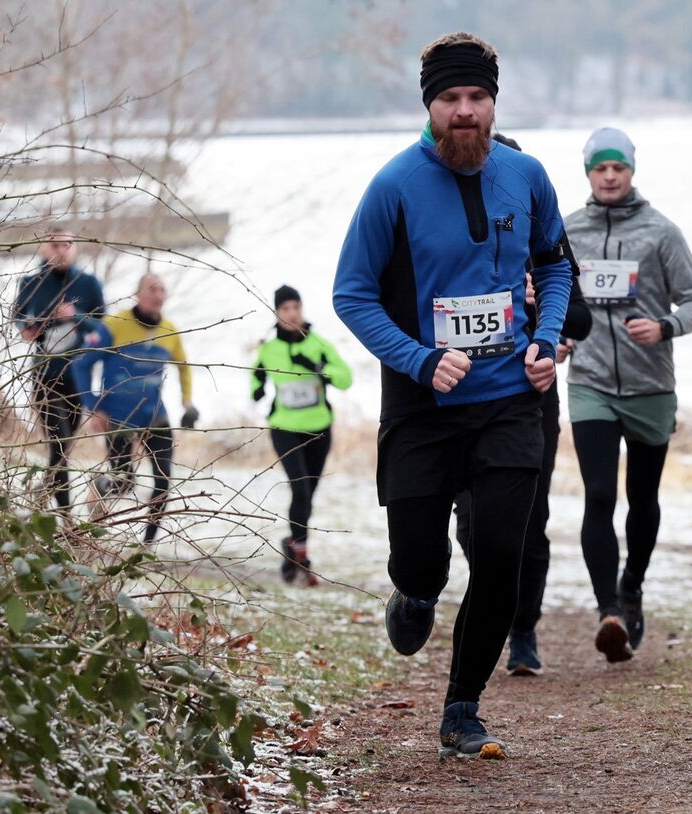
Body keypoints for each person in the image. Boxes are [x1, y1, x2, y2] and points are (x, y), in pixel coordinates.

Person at [332, 32, 573, 757]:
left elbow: (554, 266)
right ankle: (414, 592)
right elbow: (352, 294)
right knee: (420, 562)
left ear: (494, 104)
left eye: (476, 97)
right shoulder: (394, 186)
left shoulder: (527, 175)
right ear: (429, 107)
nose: (463, 111)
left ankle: (463, 709)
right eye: (449, 99)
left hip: (509, 402)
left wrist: (544, 339)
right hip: (423, 407)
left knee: (500, 554)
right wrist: (419, 358)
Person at [564, 127, 692, 663]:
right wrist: (558, 336)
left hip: (650, 387)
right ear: (588, 172)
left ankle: (632, 588)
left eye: (617, 168)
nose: (609, 177)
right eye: (600, 168)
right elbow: (553, 296)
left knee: (642, 498)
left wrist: (664, 326)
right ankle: (609, 613)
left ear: (631, 171)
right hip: (590, 383)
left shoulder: (661, 233)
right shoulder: (568, 231)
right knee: (599, 494)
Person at [453, 134, 591, 677]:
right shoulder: (456, 233)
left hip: (530, 398)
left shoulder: (538, 230)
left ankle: (523, 630)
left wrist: (541, 314)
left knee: (529, 522)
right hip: (461, 397)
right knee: (471, 525)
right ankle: (495, 600)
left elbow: (579, 316)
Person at [70, 273, 197, 544]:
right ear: (138, 294)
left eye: (162, 290)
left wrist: (187, 402)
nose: (158, 295)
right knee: (124, 482)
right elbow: (81, 364)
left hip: (155, 415)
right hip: (118, 416)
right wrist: (94, 407)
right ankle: (100, 485)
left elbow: (184, 367)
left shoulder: (170, 330)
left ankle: (146, 546)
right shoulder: (114, 325)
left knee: (163, 482)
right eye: (151, 289)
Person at [252, 284, 353, 586]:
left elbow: (346, 378)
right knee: (301, 491)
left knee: (308, 496)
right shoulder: (268, 348)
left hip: (319, 429)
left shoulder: (318, 343)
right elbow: (256, 376)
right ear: (277, 313)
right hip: (284, 428)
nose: (292, 313)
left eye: (296, 307)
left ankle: (292, 547)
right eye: (285, 308)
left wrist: (318, 368)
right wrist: (257, 389)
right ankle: (303, 558)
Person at [13, 228, 106, 510]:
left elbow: (102, 327)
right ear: (44, 248)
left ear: (74, 248)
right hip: (45, 375)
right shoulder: (31, 282)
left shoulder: (88, 283)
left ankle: (43, 493)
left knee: (63, 448)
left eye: (68, 244)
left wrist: (76, 317)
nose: (62, 250)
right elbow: (19, 317)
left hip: (77, 376)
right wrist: (27, 329)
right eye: (56, 245)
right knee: (60, 442)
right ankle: (66, 517)